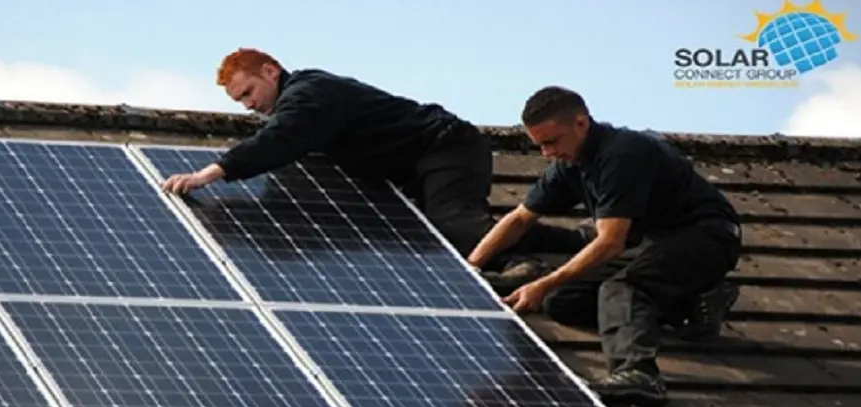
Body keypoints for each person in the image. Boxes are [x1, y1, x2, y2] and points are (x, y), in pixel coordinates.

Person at [160, 48, 585, 277]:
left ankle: (578, 241)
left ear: (271, 71)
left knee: (453, 224)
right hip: (413, 167)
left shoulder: (309, 94)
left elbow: (283, 137)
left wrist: (214, 171)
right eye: (240, 102)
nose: (250, 106)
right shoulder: (303, 108)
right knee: (426, 237)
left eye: (249, 92)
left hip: (445, 147)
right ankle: (513, 262)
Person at [466, 86, 742, 407]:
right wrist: (470, 266)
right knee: (562, 301)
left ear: (580, 124)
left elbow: (610, 243)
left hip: (707, 236)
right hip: (659, 243)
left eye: (552, 142)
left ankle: (638, 375)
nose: (546, 153)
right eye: (540, 145)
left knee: (622, 289)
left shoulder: (622, 155)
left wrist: (540, 283)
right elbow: (521, 218)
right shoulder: (571, 165)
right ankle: (695, 302)